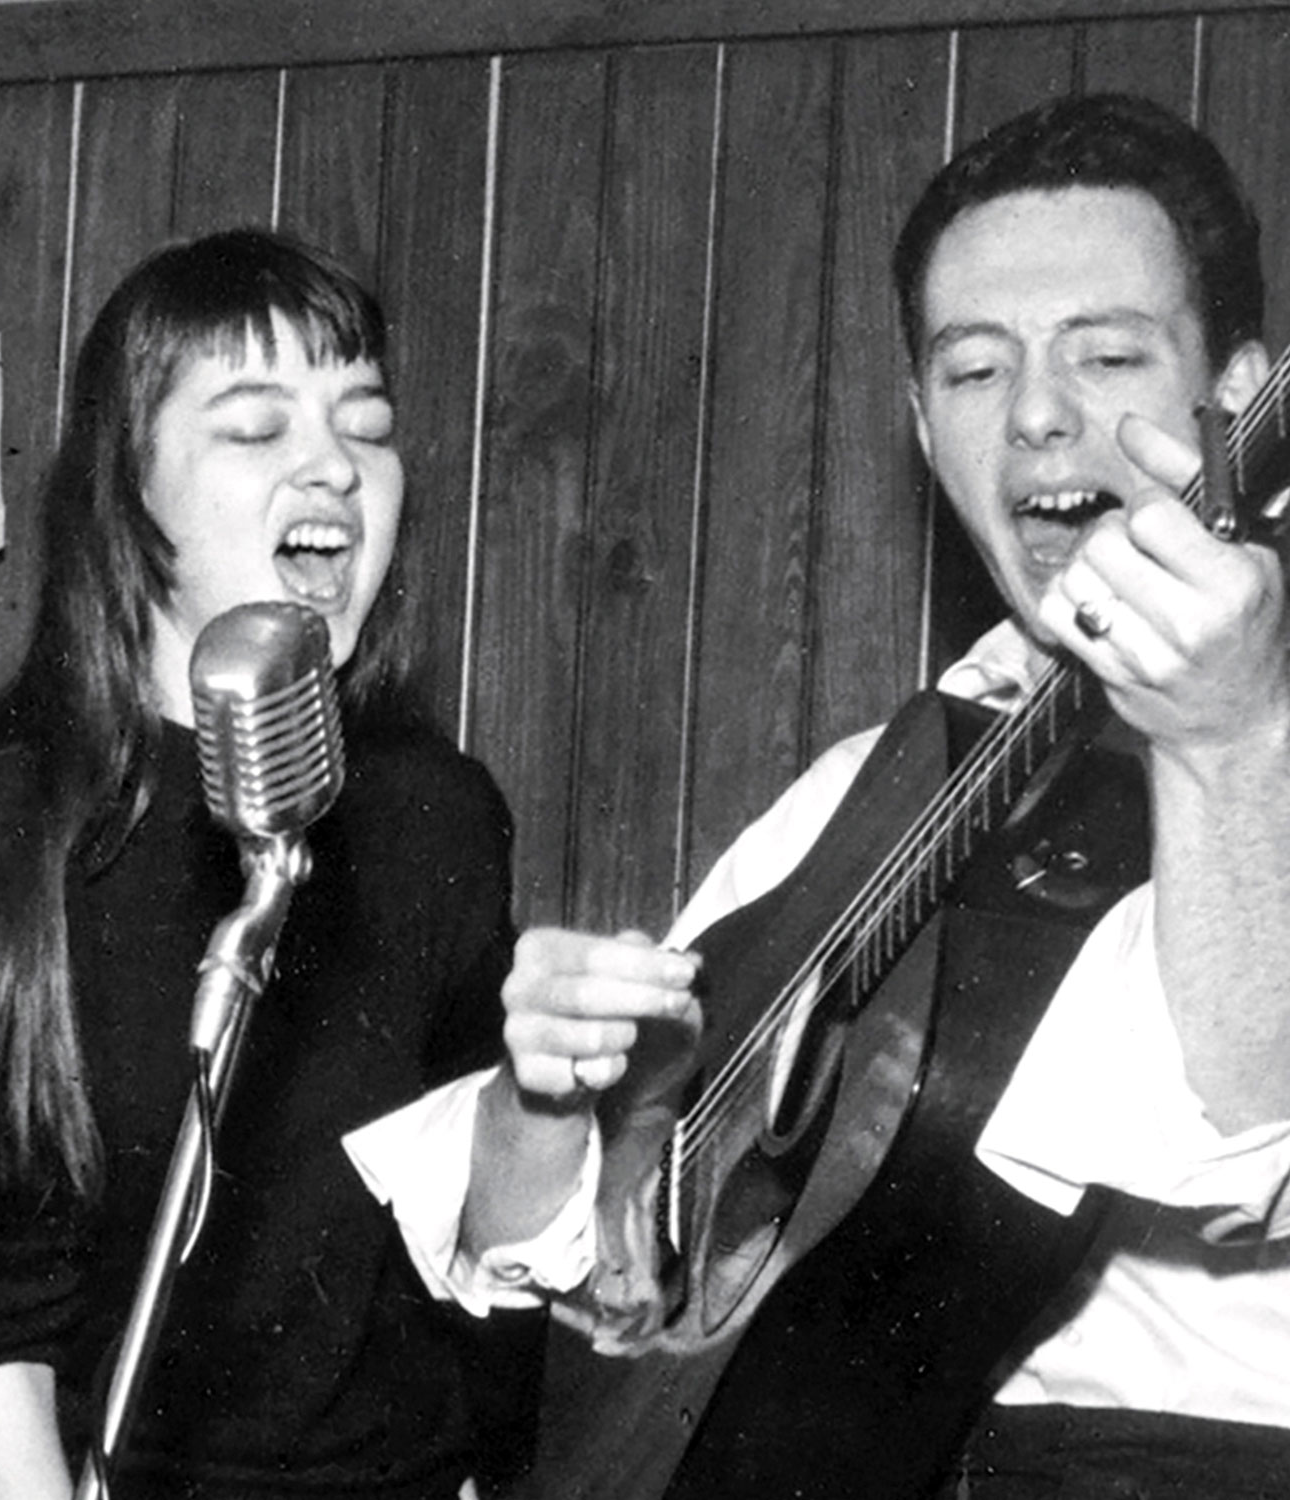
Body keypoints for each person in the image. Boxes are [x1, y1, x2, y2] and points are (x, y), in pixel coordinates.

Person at [351, 92, 1290, 1498]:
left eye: (1106, 356)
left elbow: (1241, 1149)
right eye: (973, 371)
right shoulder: (886, 778)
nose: (1037, 415)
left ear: (1238, 397)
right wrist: (550, 1104)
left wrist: (1227, 744)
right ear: (919, 423)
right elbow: (586, 1264)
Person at [0, 228, 652, 1500]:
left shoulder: (437, 818)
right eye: (256, 427)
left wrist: (543, 1095)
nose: (333, 465)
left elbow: (478, 1241)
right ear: (127, 492)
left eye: (364, 423)